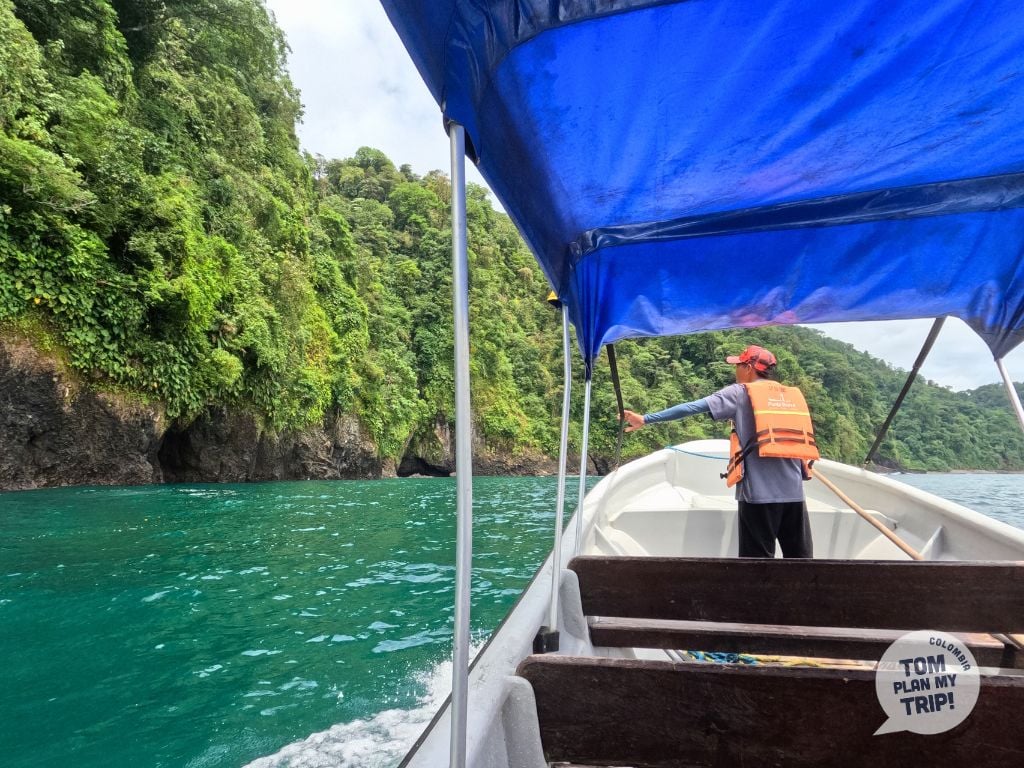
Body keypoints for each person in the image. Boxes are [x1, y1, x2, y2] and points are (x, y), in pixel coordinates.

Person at [621, 344, 816, 558]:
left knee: (757, 567)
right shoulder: (789, 396)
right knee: (802, 563)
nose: (736, 371)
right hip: (794, 495)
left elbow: (692, 407)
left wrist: (646, 418)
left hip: (758, 497)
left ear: (749, 367)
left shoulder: (740, 393)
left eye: (738, 365)